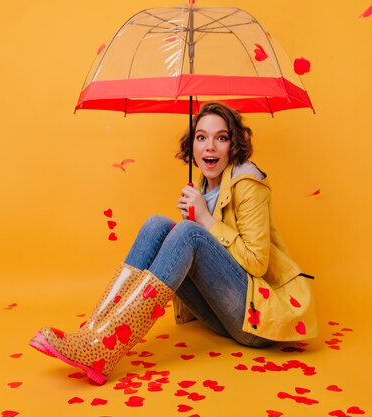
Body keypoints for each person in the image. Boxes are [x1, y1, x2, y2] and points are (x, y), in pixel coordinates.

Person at [29, 102, 317, 385]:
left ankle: (103, 348)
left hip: (257, 322)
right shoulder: (205, 185)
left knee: (188, 232)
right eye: (201, 137)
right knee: (158, 224)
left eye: (222, 138)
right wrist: (197, 219)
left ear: (234, 145)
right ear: (191, 144)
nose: (210, 147)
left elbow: (257, 262)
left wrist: (204, 220)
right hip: (222, 316)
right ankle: (93, 332)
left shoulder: (247, 182)